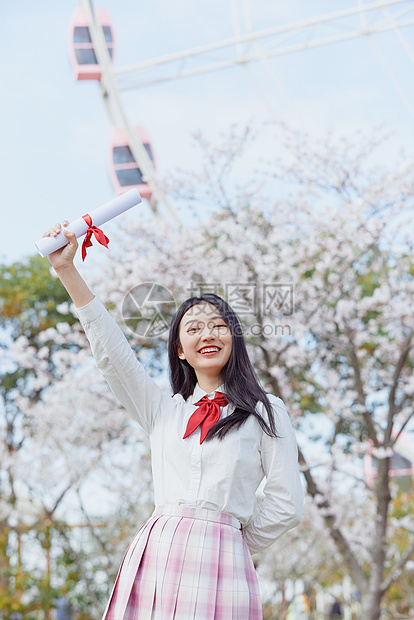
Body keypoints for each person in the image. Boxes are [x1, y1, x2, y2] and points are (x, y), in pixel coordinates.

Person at [43, 222, 304, 620]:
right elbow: (113, 357)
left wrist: (231, 540)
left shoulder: (267, 411)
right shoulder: (163, 409)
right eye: (194, 328)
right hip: (158, 555)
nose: (207, 333)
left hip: (225, 563)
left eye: (218, 325)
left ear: (234, 338)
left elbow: (286, 503)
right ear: (180, 350)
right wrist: (67, 271)